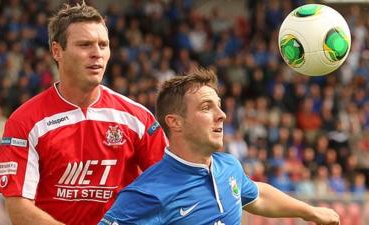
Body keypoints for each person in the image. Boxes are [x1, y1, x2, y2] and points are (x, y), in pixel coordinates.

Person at [0, 2, 167, 225]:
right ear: (57, 51)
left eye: (103, 45)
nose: (97, 54)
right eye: (85, 45)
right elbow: (19, 209)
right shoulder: (25, 121)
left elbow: (169, 188)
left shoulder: (139, 119)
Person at [98, 68, 340, 225]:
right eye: (206, 107)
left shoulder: (229, 167)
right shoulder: (146, 193)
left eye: (219, 105)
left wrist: (310, 212)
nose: (222, 115)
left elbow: (259, 196)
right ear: (175, 122)